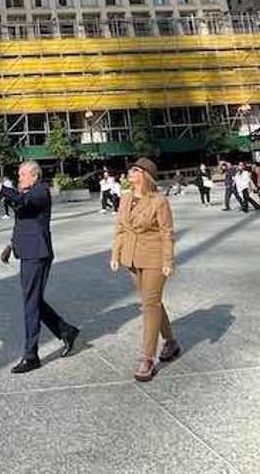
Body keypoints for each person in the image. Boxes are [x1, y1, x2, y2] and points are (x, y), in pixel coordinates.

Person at [0, 162, 79, 374]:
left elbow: (22, 202)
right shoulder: (29, 193)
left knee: (30, 304)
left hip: (37, 254)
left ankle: (31, 355)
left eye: (22, 175)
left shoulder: (40, 190)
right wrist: (12, 244)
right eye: (19, 175)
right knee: (33, 301)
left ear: (34, 176)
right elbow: (23, 219)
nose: (19, 177)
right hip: (28, 252)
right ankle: (66, 331)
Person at [110, 159, 181, 383]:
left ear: (146, 175)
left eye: (135, 170)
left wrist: (168, 261)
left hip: (154, 259)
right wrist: (115, 255)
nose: (130, 172)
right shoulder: (126, 198)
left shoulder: (159, 201)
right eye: (130, 169)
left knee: (149, 305)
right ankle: (171, 342)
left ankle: (147, 358)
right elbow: (120, 229)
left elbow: (167, 232)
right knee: (153, 303)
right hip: (131, 258)